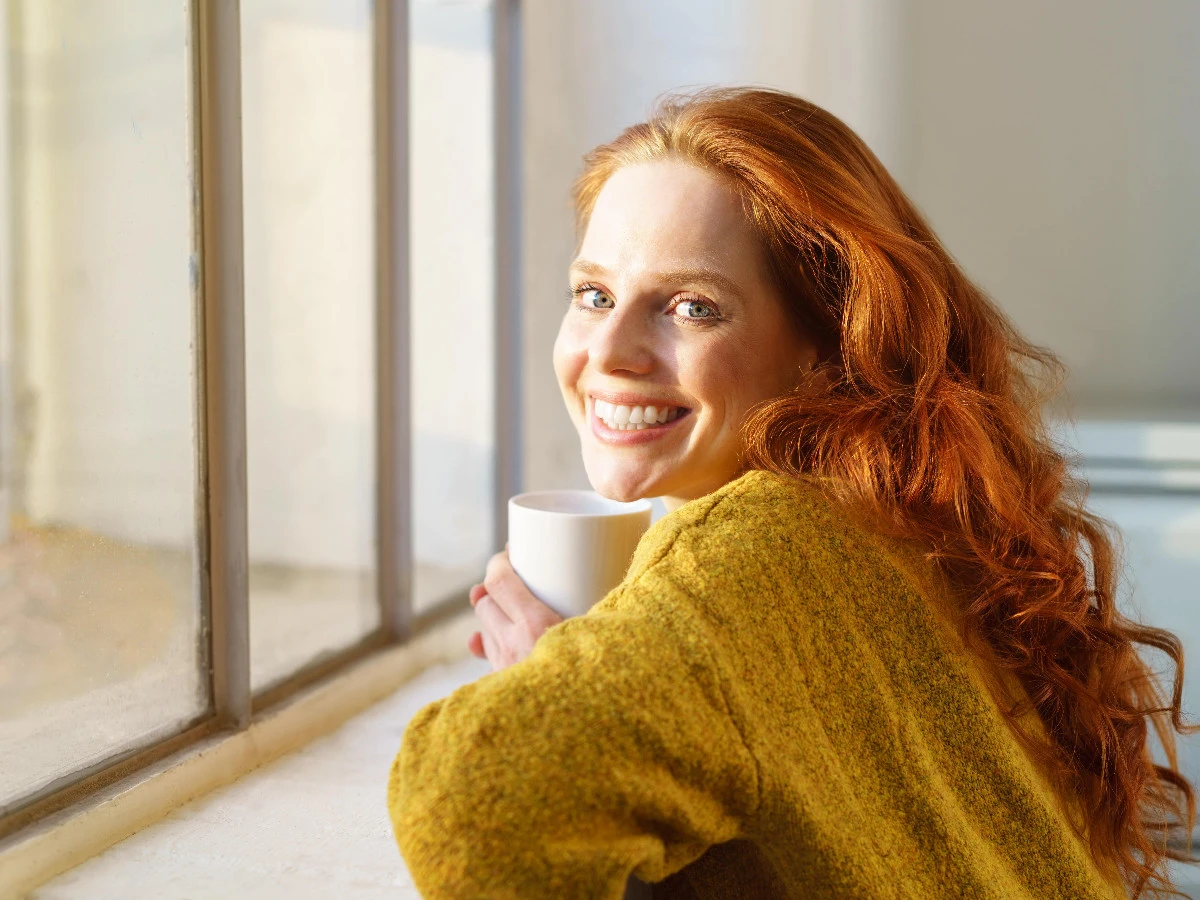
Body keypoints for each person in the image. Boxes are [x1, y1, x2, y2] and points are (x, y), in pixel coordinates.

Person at [387, 86, 1197, 899]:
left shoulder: (763, 542)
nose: (609, 350)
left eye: (691, 308)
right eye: (593, 294)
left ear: (830, 344)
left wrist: (550, 679)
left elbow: (472, 811)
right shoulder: (893, 519)